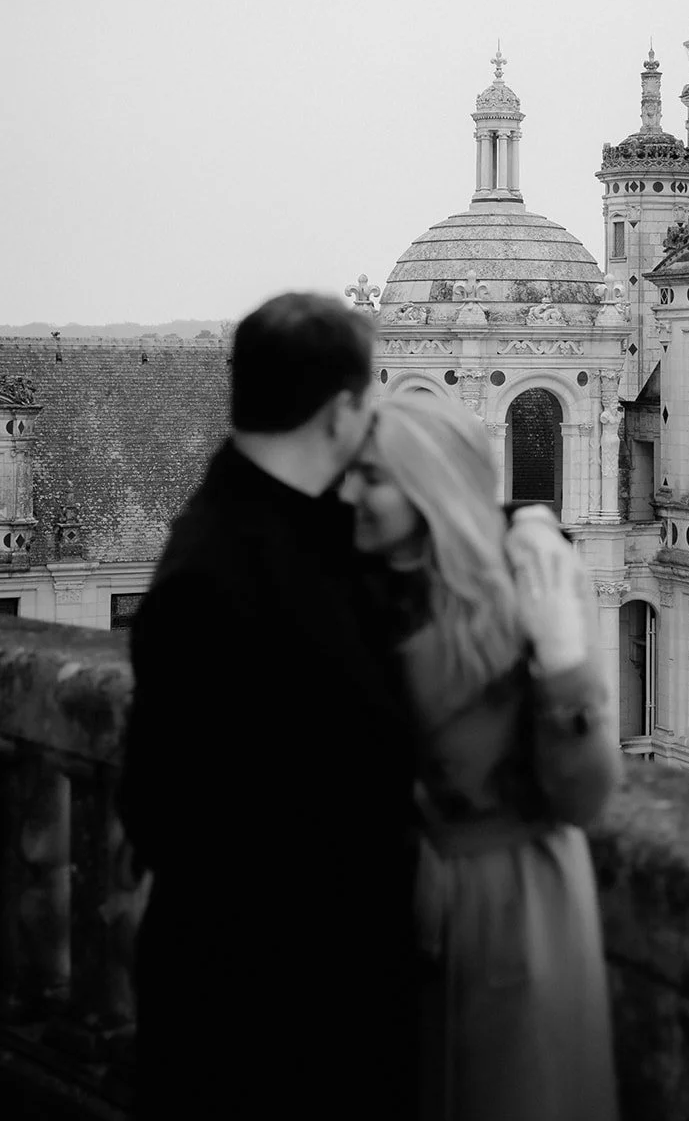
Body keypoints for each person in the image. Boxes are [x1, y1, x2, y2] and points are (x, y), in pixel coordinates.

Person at [117, 292, 418, 1121]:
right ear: (340, 411)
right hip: (267, 1013)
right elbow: (166, 806)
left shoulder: (269, 529)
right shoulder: (223, 572)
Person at [344, 392, 620, 1121]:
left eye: (371, 477)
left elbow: (586, 791)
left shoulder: (525, 588)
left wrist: (563, 656)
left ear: (427, 483)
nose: (349, 495)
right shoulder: (369, 591)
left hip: (509, 905)